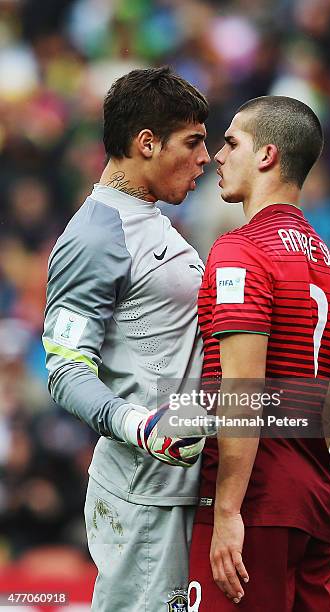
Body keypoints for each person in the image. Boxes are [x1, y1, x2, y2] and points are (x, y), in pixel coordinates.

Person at [42, 66, 212, 611]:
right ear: (147, 143)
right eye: (194, 142)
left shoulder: (151, 219)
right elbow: (65, 371)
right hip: (144, 496)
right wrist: (139, 426)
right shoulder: (94, 235)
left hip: (178, 486)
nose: (205, 158)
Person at [188, 96, 330, 611]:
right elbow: (324, 406)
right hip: (315, 500)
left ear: (267, 155)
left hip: (254, 503)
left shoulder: (241, 250)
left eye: (232, 142)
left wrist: (229, 509)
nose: (217, 154)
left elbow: (241, 393)